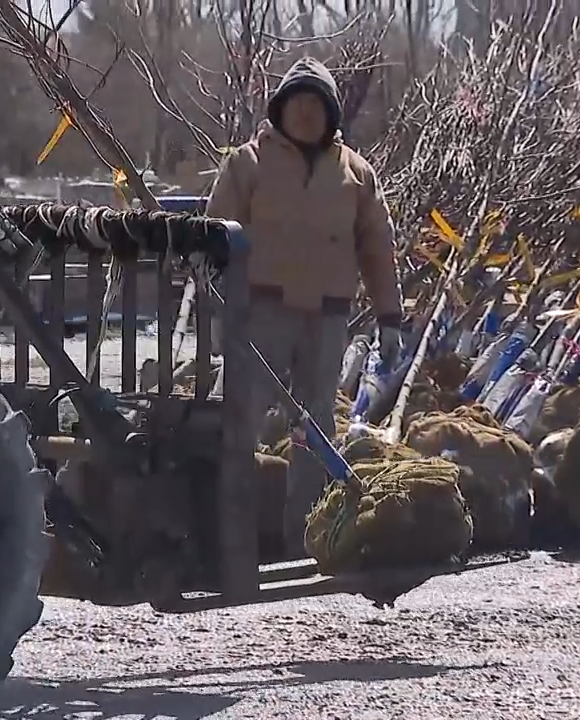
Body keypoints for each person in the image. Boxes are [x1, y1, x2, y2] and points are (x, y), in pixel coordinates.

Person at [206, 56, 404, 555]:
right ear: (280, 109)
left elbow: (377, 247)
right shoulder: (247, 163)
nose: (306, 115)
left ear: (332, 114)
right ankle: (230, 535)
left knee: (315, 427)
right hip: (261, 315)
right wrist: (215, 314)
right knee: (242, 421)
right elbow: (209, 243)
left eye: (316, 106)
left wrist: (389, 317)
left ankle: (303, 535)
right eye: (298, 104)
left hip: (326, 319)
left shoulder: (357, 174)